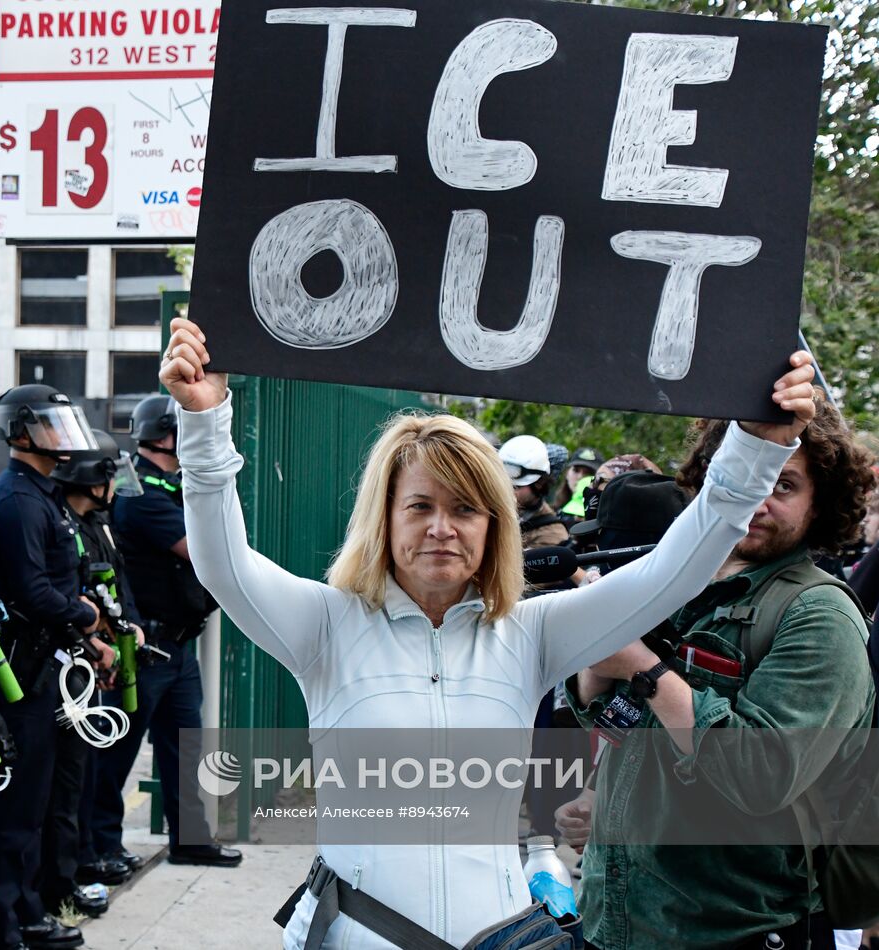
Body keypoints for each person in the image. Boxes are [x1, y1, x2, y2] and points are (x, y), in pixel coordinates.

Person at [160, 314, 816, 948]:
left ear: (493, 527)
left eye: (465, 509)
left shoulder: (533, 632)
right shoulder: (325, 626)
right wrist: (202, 422)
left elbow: (674, 572)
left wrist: (757, 447)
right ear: (383, 520)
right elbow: (223, 563)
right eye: (419, 506)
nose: (441, 528)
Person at [569, 396, 876, 949]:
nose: (757, 499)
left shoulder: (819, 614)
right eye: (741, 477)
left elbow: (762, 775)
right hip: (611, 920)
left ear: (819, 501)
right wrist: (596, 667)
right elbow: (619, 719)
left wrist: (641, 666)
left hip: (734, 933)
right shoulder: (680, 583)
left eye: (783, 485)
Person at [0, 383, 109, 950]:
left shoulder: (40, 492)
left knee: (36, 803)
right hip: (23, 669)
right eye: (49, 425)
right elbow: (30, 592)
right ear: (20, 432)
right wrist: (84, 613)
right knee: (13, 805)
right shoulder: (19, 499)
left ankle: (25, 912)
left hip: (48, 665)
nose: (61, 435)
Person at [91, 394, 242, 870]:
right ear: (165, 435)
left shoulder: (169, 486)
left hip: (177, 643)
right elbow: (202, 550)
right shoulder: (140, 494)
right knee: (118, 753)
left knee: (186, 749)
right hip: (144, 646)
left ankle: (192, 840)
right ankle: (101, 846)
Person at [47, 427, 146, 918]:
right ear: (93, 478)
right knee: (68, 786)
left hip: (95, 661)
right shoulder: (67, 524)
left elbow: (111, 587)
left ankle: (80, 863)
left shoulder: (97, 522)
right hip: (70, 665)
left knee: (81, 778)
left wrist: (123, 631)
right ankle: (74, 869)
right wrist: (96, 642)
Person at [500, 434, 571, 548]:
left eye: (515, 487)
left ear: (539, 483)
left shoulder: (551, 534)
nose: (505, 491)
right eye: (502, 483)